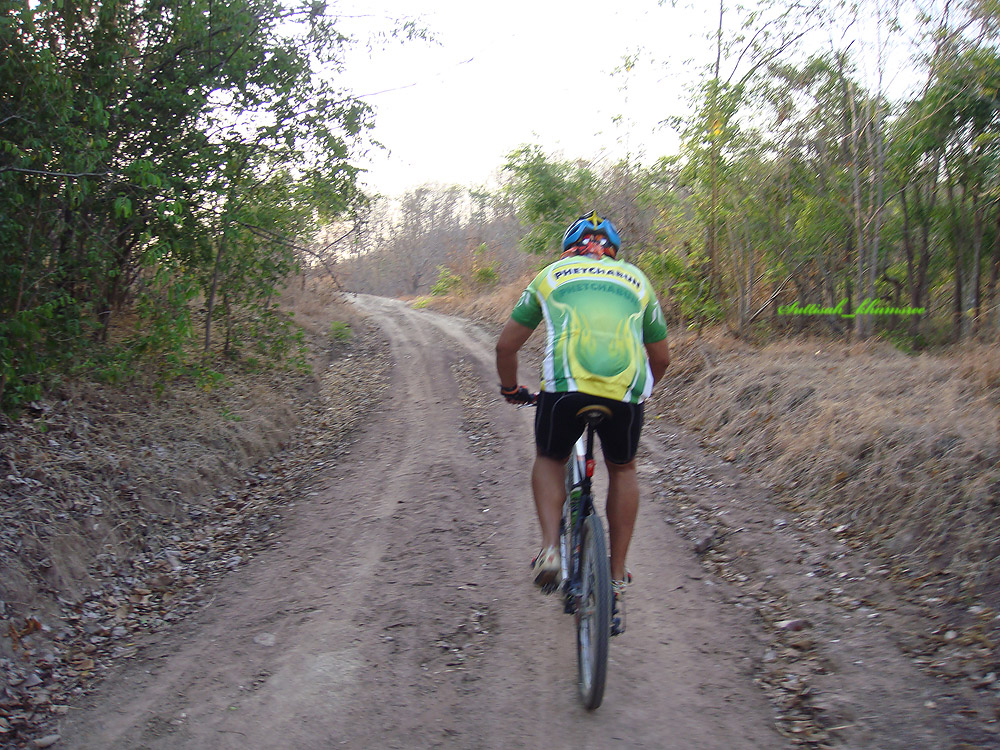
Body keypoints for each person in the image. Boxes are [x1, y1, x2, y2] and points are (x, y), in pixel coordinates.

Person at [495, 210, 670, 613]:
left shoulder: (551, 275)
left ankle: (550, 551)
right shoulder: (638, 280)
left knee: (550, 458)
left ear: (568, 248)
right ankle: (616, 576)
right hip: (624, 392)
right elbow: (661, 358)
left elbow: (506, 347)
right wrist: (638, 393)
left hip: (565, 389)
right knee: (623, 469)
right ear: (613, 250)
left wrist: (510, 388)